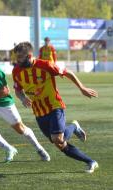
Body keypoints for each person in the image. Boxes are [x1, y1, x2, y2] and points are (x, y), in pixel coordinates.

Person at [12, 42, 99, 173]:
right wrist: (23, 98)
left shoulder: (45, 65)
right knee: (60, 145)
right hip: (39, 112)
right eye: (16, 57)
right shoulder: (16, 71)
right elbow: (18, 90)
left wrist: (82, 88)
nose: (17, 60)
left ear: (29, 56)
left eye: (20, 57)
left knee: (57, 138)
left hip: (54, 106)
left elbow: (67, 73)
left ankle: (74, 126)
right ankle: (90, 161)